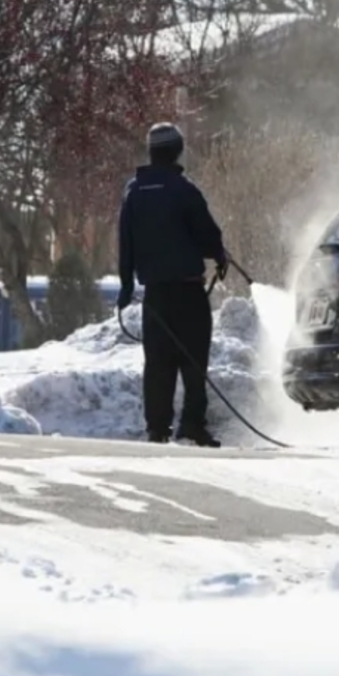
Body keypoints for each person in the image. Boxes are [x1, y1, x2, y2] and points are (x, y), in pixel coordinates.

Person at [117, 122, 227, 447]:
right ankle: (192, 424)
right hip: (188, 292)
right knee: (194, 361)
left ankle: (157, 427)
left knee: (158, 363)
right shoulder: (185, 190)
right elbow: (208, 236)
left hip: (155, 297)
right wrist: (219, 255)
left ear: (151, 152)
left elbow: (126, 244)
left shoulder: (134, 192)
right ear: (178, 150)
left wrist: (125, 288)